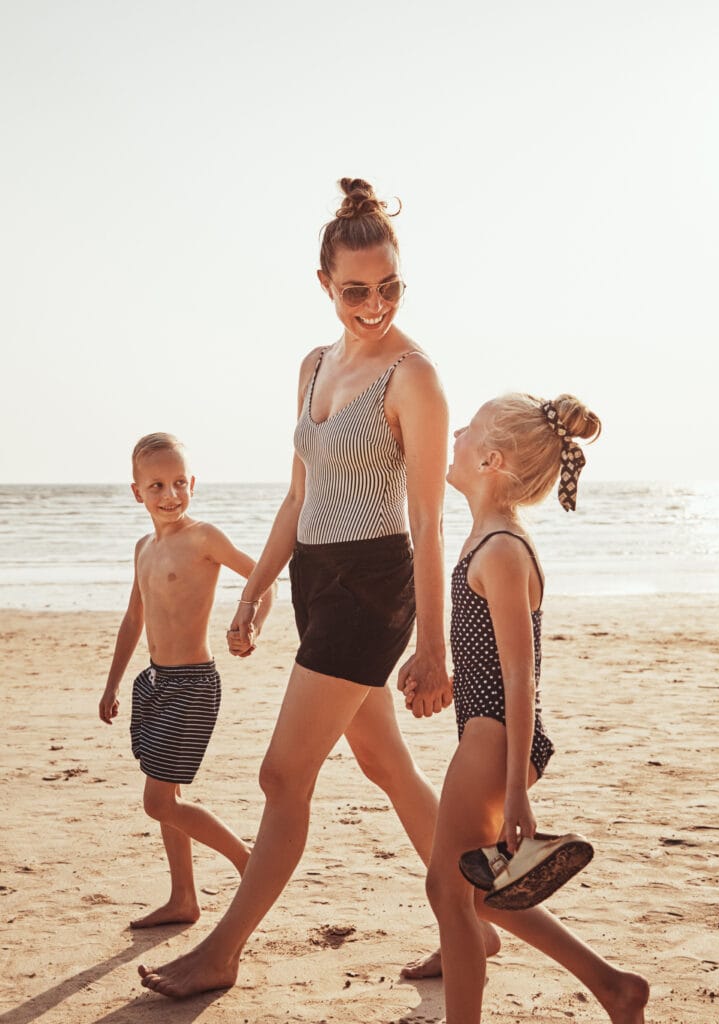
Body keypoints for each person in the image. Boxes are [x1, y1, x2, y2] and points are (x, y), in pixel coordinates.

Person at [138, 177, 499, 997]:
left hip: (376, 589)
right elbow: (298, 495)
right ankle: (470, 920)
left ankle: (221, 951)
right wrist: (257, 586)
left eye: (389, 286)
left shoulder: (415, 377)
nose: (374, 305)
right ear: (324, 285)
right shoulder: (312, 366)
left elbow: (429, 520)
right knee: (385, 765)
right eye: (355, 290)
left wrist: (434, 648)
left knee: (280, 776)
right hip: (315, 580)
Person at [409, 393, 649, 1023]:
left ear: (490, 459)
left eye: (467, 430)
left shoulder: (503, 551)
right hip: (486, 728)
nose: (454, 434)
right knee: (482, 892)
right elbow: (492, 663)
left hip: (498, 739)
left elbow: (522, 676)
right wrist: (449, 684)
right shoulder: (487, 538)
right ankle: (615, 987)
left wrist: (516, 790)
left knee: (448, 891)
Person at [98, 432, 274, 929]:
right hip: (154, 683)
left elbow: (264, 581)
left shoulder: (204, 537)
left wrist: (251, 626)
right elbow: (134, 620)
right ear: (137, 492)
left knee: (157, 801)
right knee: (167, 799)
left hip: (194, 684)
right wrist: (112, 684)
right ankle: (183, 899)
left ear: (192, 483)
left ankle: (249, 864)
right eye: (156, 486)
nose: (170, 495)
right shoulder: (143, 548)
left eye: (179, 483)